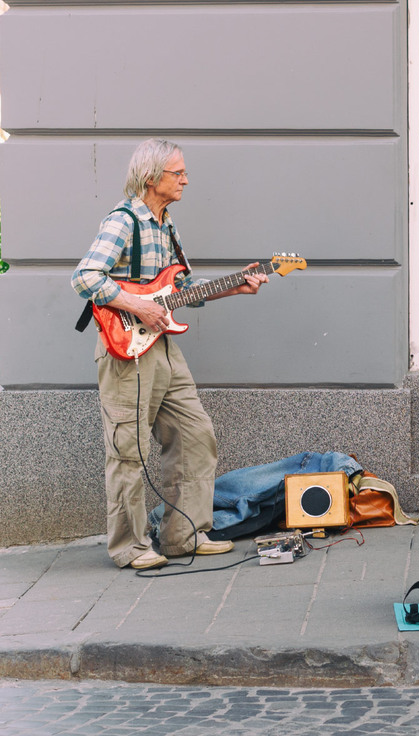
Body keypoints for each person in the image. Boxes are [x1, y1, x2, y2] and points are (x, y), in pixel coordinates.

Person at [71, 138, 269, 569]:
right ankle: (130, 547)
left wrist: (237, 285)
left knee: (195, 435)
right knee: (129, 449)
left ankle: (186, 536)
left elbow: (179, 293)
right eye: (177, 173)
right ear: (150, 177)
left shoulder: (166, 224)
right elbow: (85, 277)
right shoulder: (124, 220)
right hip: (126, 350)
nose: (185, 179)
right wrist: (138, 304)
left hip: (161, 345)